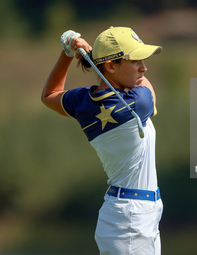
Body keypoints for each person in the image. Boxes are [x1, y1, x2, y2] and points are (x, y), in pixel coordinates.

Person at [41, 26, 163, 255]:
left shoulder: (83, 101)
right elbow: (146, 86)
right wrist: (86, 53)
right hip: (131, 219)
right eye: (135, 61)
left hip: (133, 214)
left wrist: (68, 53)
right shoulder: (135, 103)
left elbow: (49, 95)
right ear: (111, 66)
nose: (143, 68)